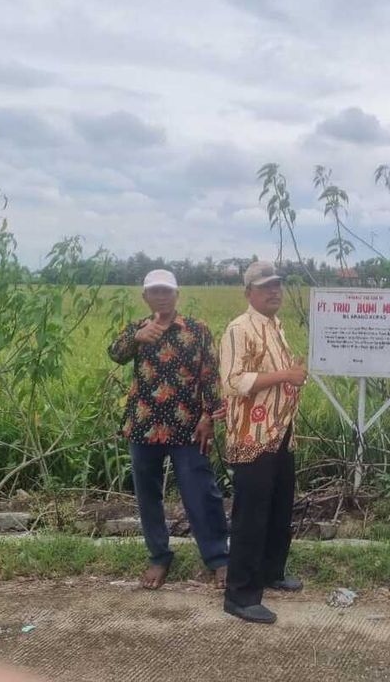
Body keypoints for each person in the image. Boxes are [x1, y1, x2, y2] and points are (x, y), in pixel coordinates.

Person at [107, 269, 229, 590]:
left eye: (167, 291)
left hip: (188, 426)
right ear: (145, 297)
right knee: (148, 496)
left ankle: (218, 559)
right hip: (143, 427)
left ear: (177, 295)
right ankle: (159, 556)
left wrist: (209, 416)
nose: (162, 297)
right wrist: (136, 338)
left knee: (201, 492)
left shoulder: (197, 330)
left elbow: (211, 375)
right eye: (155, 292)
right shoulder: (137, 329)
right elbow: (115, 354)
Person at [219, 261, 308, 624]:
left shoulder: (275, 326)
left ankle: (271, 572)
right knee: (251, 516)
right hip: (252, 437)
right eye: (266, 286)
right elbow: (233, 381)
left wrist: (292, 377)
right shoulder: (239, 329)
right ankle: (239, 594)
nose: (274, 291)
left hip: (280, 432)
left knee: (278, 508)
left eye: (277, 285)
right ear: (248, 293)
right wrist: (285, 375)